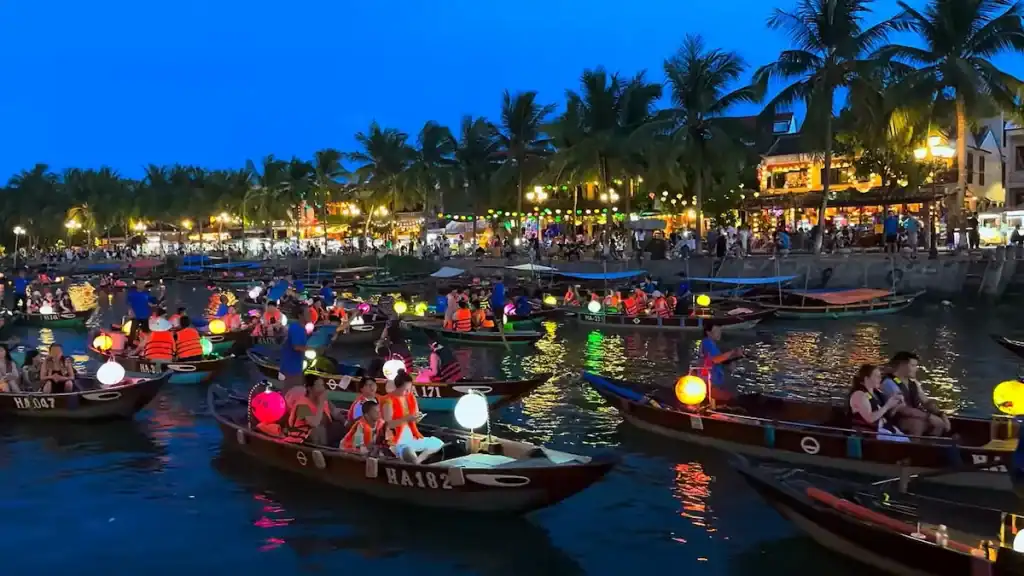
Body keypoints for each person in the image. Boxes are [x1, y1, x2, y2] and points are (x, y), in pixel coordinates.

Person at [881, 351, 951, 436]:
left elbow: (926, 402)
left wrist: (941, 414)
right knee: (917, 424)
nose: (916, 369)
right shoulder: (889, 383)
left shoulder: (914, 383)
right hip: (896, 419)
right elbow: (903, 410)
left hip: (916, 416)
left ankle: (929, 447)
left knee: (938, 424)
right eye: (913, 366)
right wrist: (928, 417)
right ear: (903, 366)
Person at [382, 372, 443, 464]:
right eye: (405, 389)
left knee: (437, 443)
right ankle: (415, 463)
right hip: (397, 441)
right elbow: (388, 424)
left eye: (410, 389)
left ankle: (418, 461)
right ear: (397, 387)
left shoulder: (411, 397)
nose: (408, 392)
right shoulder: (388, 401)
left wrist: (417, 418)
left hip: (412, 438)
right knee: (408, 452)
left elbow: (415, 417)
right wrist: (407, 419)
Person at [849, 363, 907, 440]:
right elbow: (870, 419)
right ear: (867, 379)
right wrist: (887, 406)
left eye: (880, 376)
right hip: (869, 433)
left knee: (906, 439)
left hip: (884, 429)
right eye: (877, 376)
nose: (880, 378)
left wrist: (896, 405)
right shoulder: (859, 394)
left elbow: (886, 414)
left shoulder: (878, 394)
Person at [699, 324, 743, 402]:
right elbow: (715, 360)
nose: (719, 333)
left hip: (716, 381)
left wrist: (735, 356)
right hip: (710, 382)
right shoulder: (707, 342)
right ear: (708, 333)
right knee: (730, 399)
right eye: (716, 331)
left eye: (720, 331)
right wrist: (732, 352)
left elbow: (720, 360)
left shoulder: (712, 344)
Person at [287, 378, 337, 445]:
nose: (322, 389)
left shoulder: (323, 402)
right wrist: (321, 403)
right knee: (318, 430)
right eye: (318, 386)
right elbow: (314, 423)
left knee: (339, 428)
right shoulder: (302, 405)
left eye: (322, 386)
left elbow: (333, 414)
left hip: (321, 438)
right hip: (302, 440)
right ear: (310, 389)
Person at [281, 303, 312, 396]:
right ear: (300, 315)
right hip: (291, 367)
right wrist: (312, 349)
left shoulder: (301, 328)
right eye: (307, 312)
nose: (310, 314)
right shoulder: (296, 328)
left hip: (296, 366)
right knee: (291, 393)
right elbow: (296, 346)